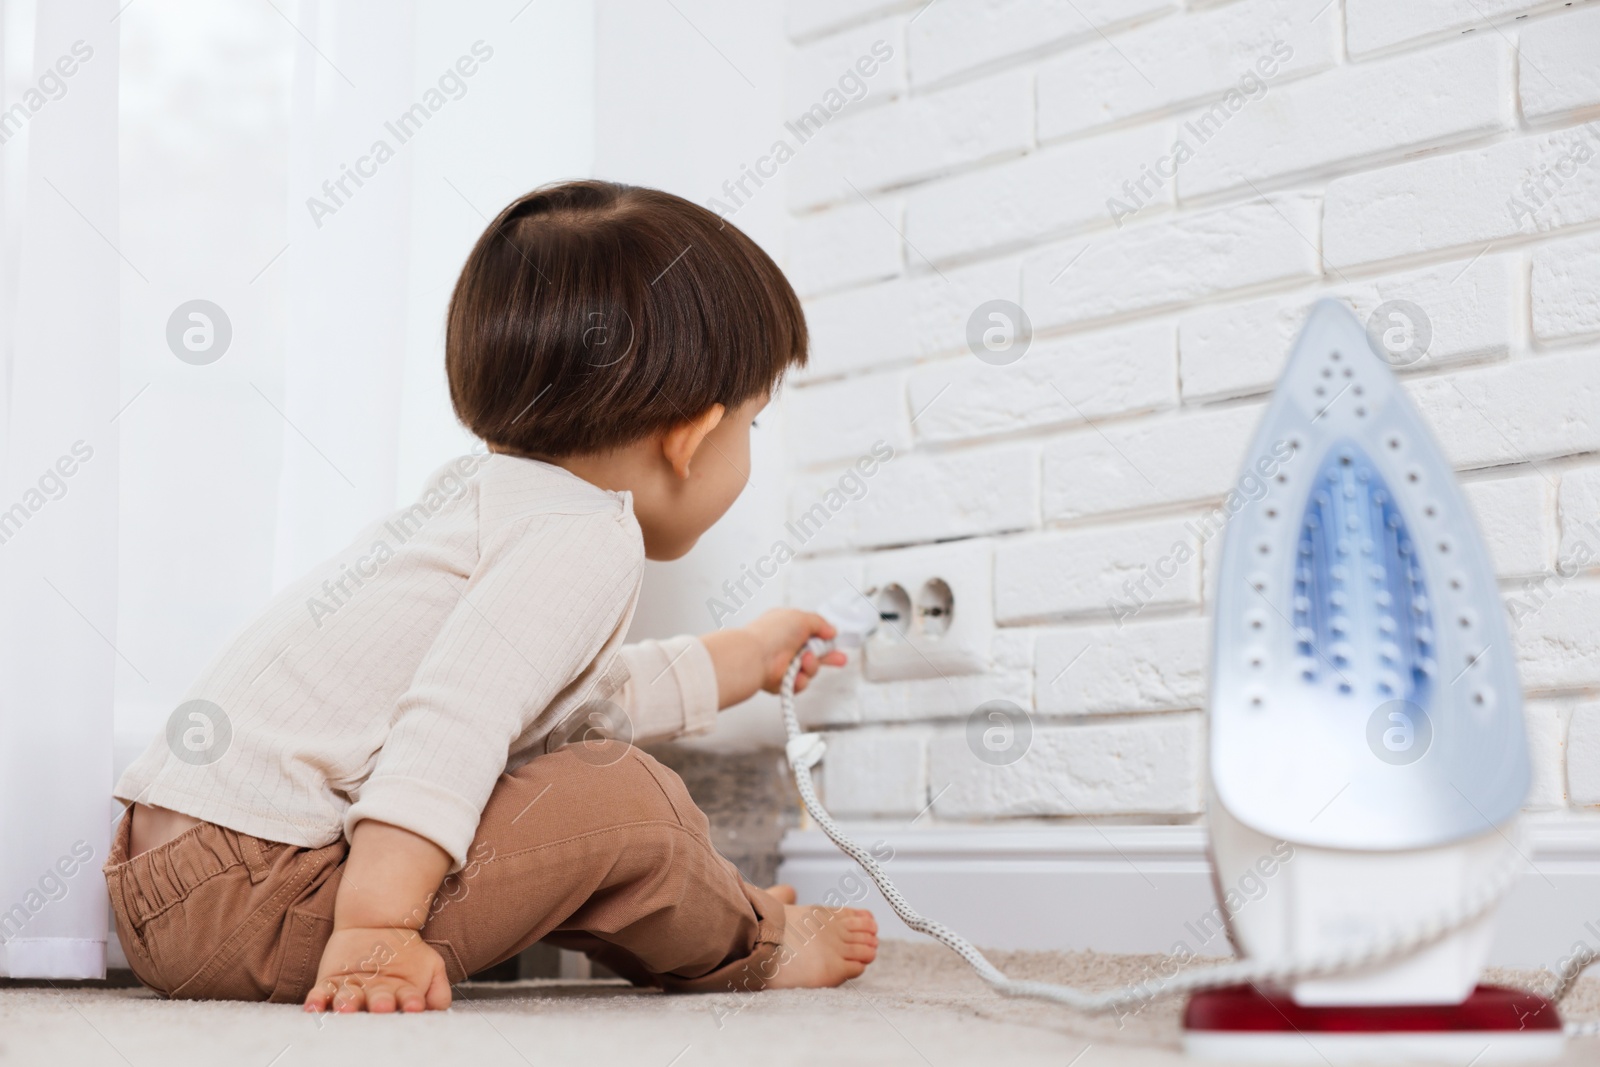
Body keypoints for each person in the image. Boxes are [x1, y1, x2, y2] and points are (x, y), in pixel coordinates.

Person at [105, 180, 878, 1013]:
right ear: (690, 439)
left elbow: (568, 697)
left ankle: (719, 908)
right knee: (631, 802)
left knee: (565, 769)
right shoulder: (583, 534)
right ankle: (751, 942)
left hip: (174, 885)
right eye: (751, 425)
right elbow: (455, 720)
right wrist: (378, 926)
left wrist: (745, 657)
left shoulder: (486, 502)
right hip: (268, 895)